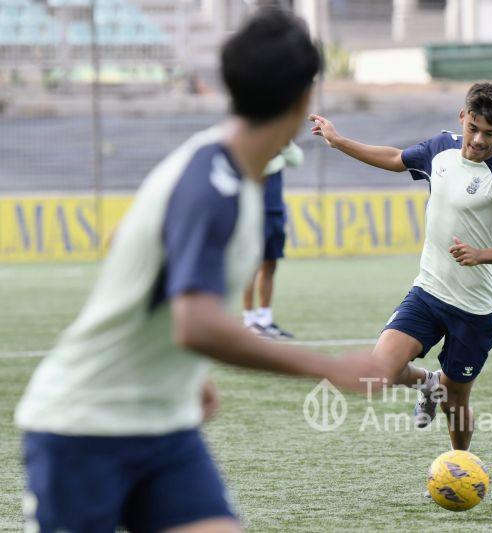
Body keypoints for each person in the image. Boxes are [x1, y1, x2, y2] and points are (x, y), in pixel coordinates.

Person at [14, 10, 387, 533]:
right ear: (305, 99)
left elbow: (123, 242)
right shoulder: (216, 182)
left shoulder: (224, 169)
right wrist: (327, 366)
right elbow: (195, 324)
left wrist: (185, 369)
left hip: (164, 426)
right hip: (86, 425)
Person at [309, 82, 492, 453]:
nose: (479, 140)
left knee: (456, 402)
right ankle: (426, 382)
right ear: (462, 117)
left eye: (489, 133)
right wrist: (339, 141)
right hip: (430, 291)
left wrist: (481, 254)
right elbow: (395, 159)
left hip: (476, 308)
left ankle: (459, 466)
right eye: (474, 128)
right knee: (380, 369)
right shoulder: (440, 148)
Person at [242, 141, 302, 339]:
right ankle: (249, 320)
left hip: (275, 212)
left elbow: (297, 159)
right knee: (251, 267)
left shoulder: (280, 142)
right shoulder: (254, 143)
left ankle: (265, 320)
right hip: (255, 213)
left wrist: (282, 143)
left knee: (270, 265)